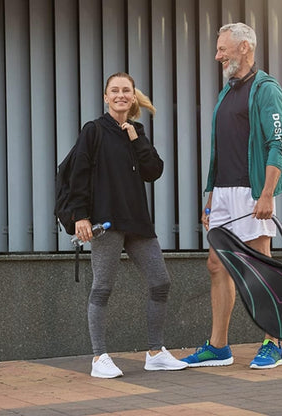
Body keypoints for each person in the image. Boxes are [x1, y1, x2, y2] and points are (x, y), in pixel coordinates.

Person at [181, 23, 282, 369]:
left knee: (260, 266)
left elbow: (280, 144)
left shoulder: (266, 89)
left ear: (244, 48)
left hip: (252, 192)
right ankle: (218, 347)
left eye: (222, 49)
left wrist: (267, 194)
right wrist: (210, 193)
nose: (217, 56)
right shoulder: (226, 91)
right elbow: (219, 149)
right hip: (224, 193)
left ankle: (273, 343)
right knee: (217, 265)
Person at [69, 72, 188, 378]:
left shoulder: (136, 131)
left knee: (160, 282)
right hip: (106, 221)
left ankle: (155, 352)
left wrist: (137, 139)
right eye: (115, 90)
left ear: (133, 97)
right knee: (103, 287)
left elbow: (153, 171)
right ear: (106, 97)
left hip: (137, 220)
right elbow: (78, 174)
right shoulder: (94, 130)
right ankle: (99, 358)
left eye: (126, 90)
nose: (120, 95)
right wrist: (80, 216)